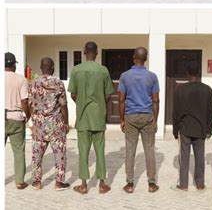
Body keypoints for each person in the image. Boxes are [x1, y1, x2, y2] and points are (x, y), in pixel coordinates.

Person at [68, 42, 115, 195]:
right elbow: (108, 94)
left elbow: (73, 94)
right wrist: (100, 104)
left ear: (84, 52)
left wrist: (81, 103)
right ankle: (102, 184)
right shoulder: (103, 70)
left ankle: (83, 184)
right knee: (100, 150)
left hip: (83, 116)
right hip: (98, 116)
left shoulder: (76, 70)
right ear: (96, 53)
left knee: (83, 151)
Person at [118, 47, 159, 194]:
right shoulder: (152, 77)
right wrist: (155, 120)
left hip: (131, 116)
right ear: (145, 58)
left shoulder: (125, 76)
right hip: (148, 115)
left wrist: (122, 119)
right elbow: (156, 100)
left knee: (130, 150)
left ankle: (129, 184)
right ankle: (152, 184)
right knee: (149, 150)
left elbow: (121, 100)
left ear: (133, 57)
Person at [28, 57, 70, 191]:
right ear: (52, 67)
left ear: (41, 68)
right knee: (59, 153)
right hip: (56, 123)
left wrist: (33, 119)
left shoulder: (34, 83)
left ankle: (36, 182)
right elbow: (63, 105)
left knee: (37, 153)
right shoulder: (58, 83)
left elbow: (30, 104)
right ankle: (59, 182)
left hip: (39, 124)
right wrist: (66, 122)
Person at [173, 62, 212, 190]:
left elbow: (176, 112)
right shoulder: (207, 89)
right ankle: (200, 184)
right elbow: (210, 111)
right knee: (200, 157)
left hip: (185, 128)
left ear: (187, 73)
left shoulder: (180, 89)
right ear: (199, 72)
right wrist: (208, 129)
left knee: (184, 157)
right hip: (201, 128)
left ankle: (183, 185)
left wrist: (175, 130)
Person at [5, 52, 30, 190]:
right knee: (19, 151)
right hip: (16, 117)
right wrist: (28, 115)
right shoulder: (21, 79)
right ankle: (19, 181)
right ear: (14, 65)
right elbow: (24, 100)